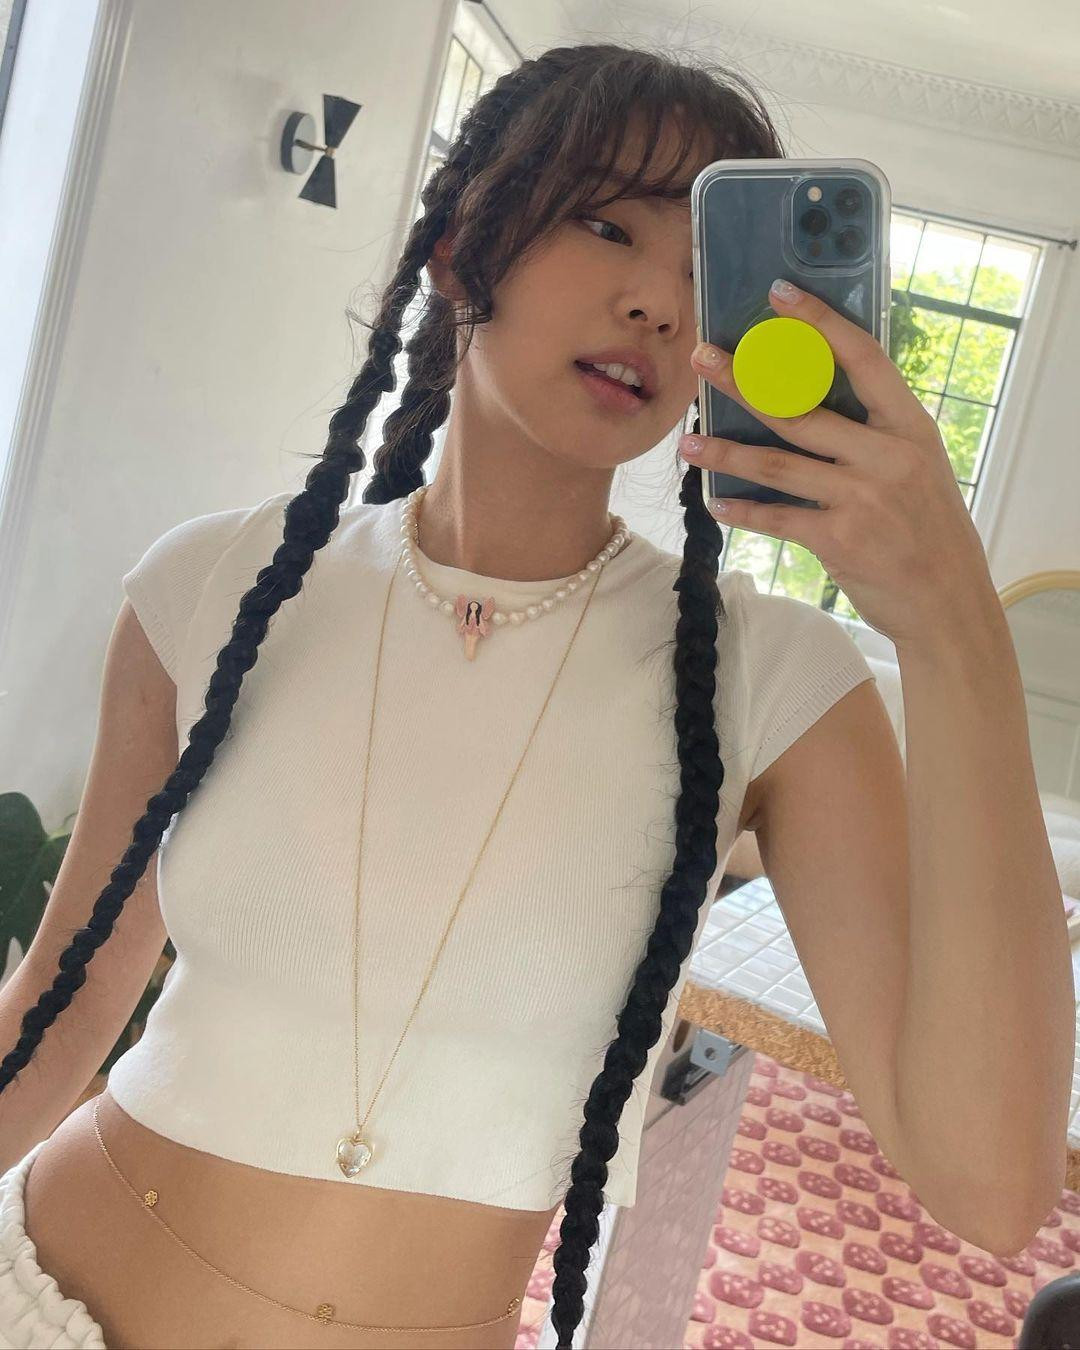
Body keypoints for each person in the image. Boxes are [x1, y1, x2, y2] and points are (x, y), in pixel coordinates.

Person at [2, 38, 1068, 1350]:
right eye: (607, 224)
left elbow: (989, 1187)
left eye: (703, 273)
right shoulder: (212, 586)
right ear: (462, 248)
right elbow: (57, 1015)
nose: (658, 304)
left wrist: (957, 627)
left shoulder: (775, 680)